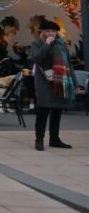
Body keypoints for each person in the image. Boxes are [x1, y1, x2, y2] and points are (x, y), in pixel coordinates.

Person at [29, 20, 75, 151]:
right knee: (42, 111)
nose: (51, 33)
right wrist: (47, 44)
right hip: (44, 82)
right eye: (48, 31)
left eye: (53, 31)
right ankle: (39, 140)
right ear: (42, 32)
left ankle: (54, 139)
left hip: (59, 81)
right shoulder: (37, 44)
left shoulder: (61, 44)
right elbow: (36, 58)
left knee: (57, 111)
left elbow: (68, 65)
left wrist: (75, 83)